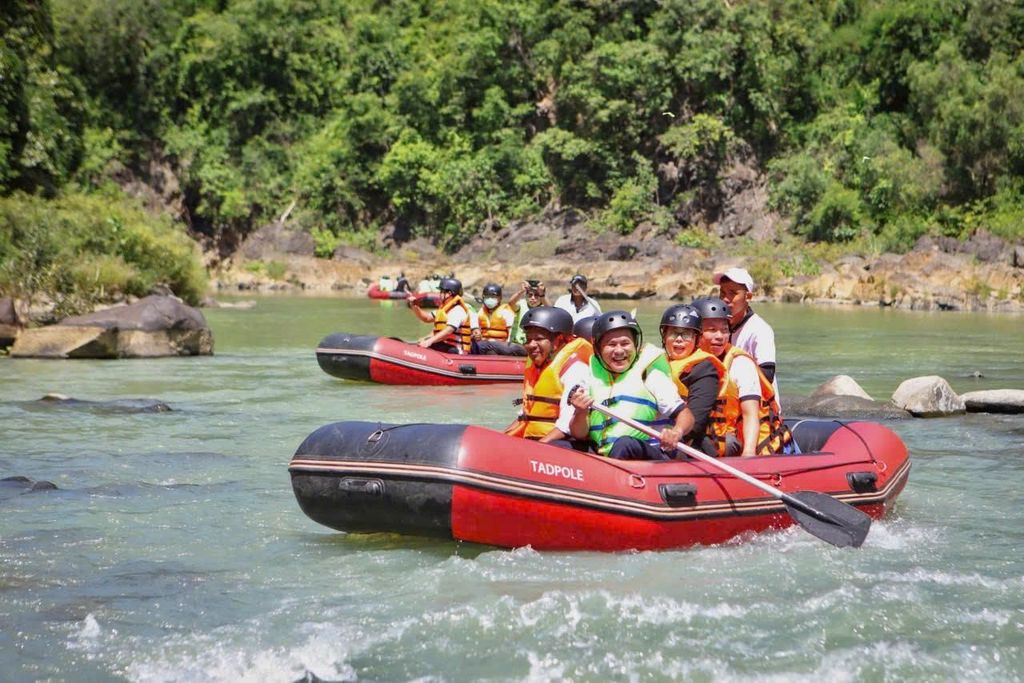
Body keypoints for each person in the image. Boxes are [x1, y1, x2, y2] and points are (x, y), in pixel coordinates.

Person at [566, 310, 695, 460]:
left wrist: (676, 432)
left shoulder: (650, 376)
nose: (619, 351)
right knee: (559, 446)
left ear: (635, 345)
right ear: (598, 348)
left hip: (649, 452)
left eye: (625, 343)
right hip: (605, 452)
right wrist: (580, 412)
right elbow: (579, 434)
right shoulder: (589, 378)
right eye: (611, 344)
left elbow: (686, 415)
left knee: (624, 444)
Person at [693, 297, 791, 457]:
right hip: (703, 435)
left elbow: (750, 414)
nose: (720, 336)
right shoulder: (684, 360)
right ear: (695, 332)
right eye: (711, 330)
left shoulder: (741, 364)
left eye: (724, 330)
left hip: (736, 440)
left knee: (725, 443)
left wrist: (749, 453)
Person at [505, 307, 591, 447]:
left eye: (539, 339)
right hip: (537, 441)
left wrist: (535, 448)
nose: (531, 345)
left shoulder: (575, 370)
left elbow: (566, 426)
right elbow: (525, 416)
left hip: (560, 444)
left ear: (558, 340)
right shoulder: (539, 368)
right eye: (528, 339)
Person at [659, 304, 726, 458]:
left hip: (691, 442)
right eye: (673, 333)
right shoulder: (655, 363)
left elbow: (696, 421)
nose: (679, 340)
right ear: (664, 336)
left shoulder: (705, 370)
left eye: (686, 335)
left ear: (696, 339)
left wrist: (674, 434)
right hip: (656, 433)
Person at [713, 267, 778, 389]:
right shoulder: (717, 326)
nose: (725, 299)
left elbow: (767, 375)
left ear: (748, 296)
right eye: (722, 293)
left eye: (732, 293)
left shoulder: (760, 330)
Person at [407, 277, 473, 353]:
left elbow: (448, 331)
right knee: (427, 343)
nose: (439, 294)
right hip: (444, 345)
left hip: (455, 350)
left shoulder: (457, 310)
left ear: (449, 293)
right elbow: (427, 318)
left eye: (442, 291)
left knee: (430, 344)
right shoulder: (443, 309)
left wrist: (429, 341)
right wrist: (414, 306)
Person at [472, 283, 525, 356]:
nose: (490, 299)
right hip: (485, 345)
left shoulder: (505, 311)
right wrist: (476, 335)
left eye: (493, 297)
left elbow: (511, 333)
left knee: (487, 345)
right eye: (487, 296)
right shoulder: (481, 311)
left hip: (503, 345)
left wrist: (507, 346)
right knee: (482, 347)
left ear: (500, 298)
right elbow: (476, 330)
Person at [508, 279, 549, 345]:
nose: (533, 298)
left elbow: (551, 309)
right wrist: (521, 291)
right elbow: (511, 303)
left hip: (535, 345)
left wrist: (542, 294)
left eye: (536, 295)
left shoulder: (544, 308)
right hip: (517, 344)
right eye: (530, 295)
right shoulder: (521, 305)